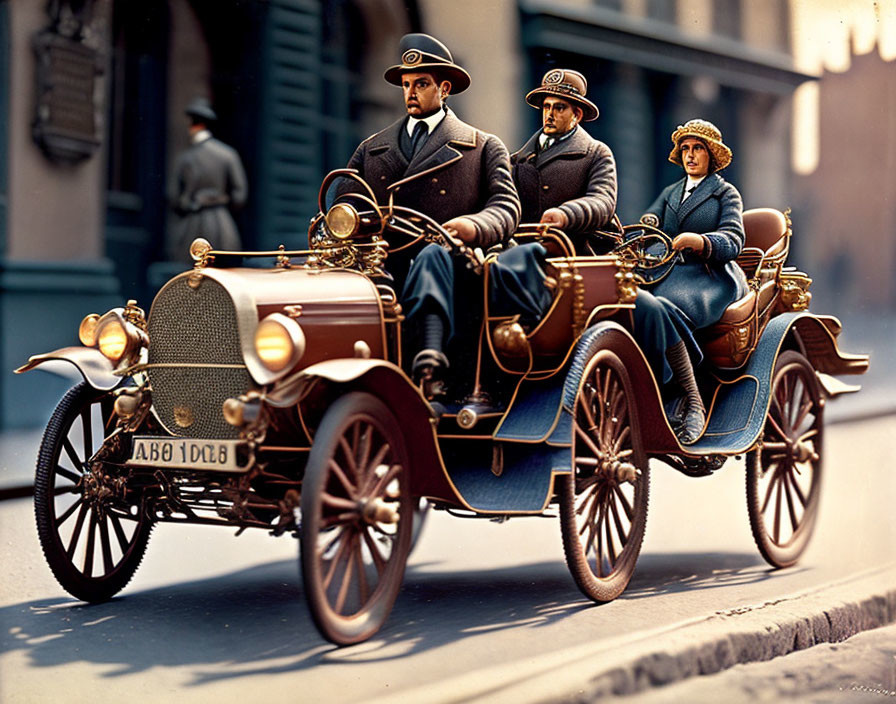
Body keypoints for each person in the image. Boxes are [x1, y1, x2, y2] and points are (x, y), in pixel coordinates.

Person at [344, 33, 520, 392]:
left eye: (421, 84)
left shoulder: (482, 146)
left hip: (457, 267)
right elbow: (346, 205)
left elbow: (506, 208)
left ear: (444, 89)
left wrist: (471, 226)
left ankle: (431, 356)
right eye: (406, 85)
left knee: (431, 255)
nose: (410, 92)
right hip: (384, 262)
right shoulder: (371, 148)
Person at [631, 119, 747, 444]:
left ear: (711, 154)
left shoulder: (725, 193)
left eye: (697, 149)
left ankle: (691, 398)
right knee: (630, 299)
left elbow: (734, 238)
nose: (690, 156)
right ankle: (647, 388)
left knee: (664, 306)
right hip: (667, 270)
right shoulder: (671, 192)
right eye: (685, 149)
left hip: (710, 277)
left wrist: (701, 242)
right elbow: (649, 224)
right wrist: (648, 225)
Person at [489, 68, 618, 326]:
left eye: (559, 108)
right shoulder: (517, 159)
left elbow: (603, 201)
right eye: (546, 107)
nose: (549, 114)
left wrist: (565, 214)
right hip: (522, 253)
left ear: (577, 115)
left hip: (576, 258)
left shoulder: (595, 153)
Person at [168, 98, 248, 262]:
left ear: (192, 124)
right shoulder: (227, 154)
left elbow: (173, 196)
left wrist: (189, 202)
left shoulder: (185, 158)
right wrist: (220, 200)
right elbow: (240, 196)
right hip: (221, 224)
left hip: (192, 224)